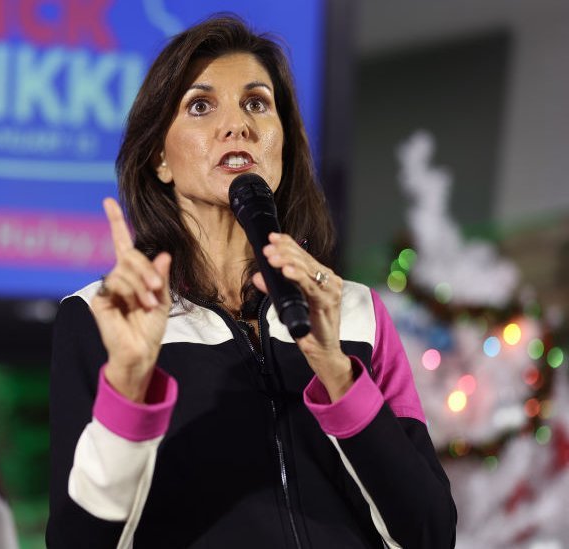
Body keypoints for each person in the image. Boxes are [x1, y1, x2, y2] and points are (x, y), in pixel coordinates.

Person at [47, 14, 457, 549]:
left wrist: (337, 374)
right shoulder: (103, 317)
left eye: (257, 103)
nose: (237, 125)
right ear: (159, 158)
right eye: (201, 106)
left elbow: (430, 533)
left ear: (282, 144)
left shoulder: (356, 313)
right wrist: (128, 388)